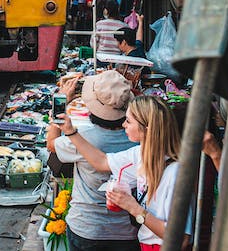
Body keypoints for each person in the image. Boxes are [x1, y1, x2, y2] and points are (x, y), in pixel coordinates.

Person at [58, 96, 187, 251]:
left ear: (147, 128)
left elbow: (182, 240)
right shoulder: (139, 154)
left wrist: (134, 209)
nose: (123, 124)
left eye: (129, 121)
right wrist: (71, 132)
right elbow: (102, 161)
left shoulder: (175, 174)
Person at [46, 71, 139, 251]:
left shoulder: (83, 138)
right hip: (127, 230)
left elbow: (51, 144)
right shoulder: (138, 138)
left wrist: (60, 103)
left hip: (87, 228)